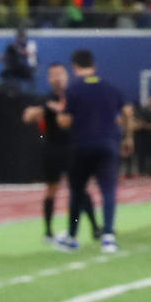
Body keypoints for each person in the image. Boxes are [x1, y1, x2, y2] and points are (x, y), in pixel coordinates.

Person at [53, 50, 128, 254]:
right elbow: (127, 112)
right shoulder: (110, 87)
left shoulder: (74, 89)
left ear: (75, 65)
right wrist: (127, 137)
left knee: (77, 192)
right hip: (108, 145)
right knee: (108, 191)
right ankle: (108, 236)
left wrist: (60, 118)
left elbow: (66, 120)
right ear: (93, 64)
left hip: (82, 146)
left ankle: (72, 236)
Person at [23, 62, 98, 242]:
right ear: (49, 79)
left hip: (73, 147)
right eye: (53, 75)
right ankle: (48, 231)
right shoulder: (45, 99)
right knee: (51, 188)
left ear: (66, 76)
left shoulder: (75, 95)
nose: (57, 78)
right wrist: (44, 110)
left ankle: (95, 227)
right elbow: (27, 116)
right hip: (52, 148)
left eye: (60, 74)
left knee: (80, 189)